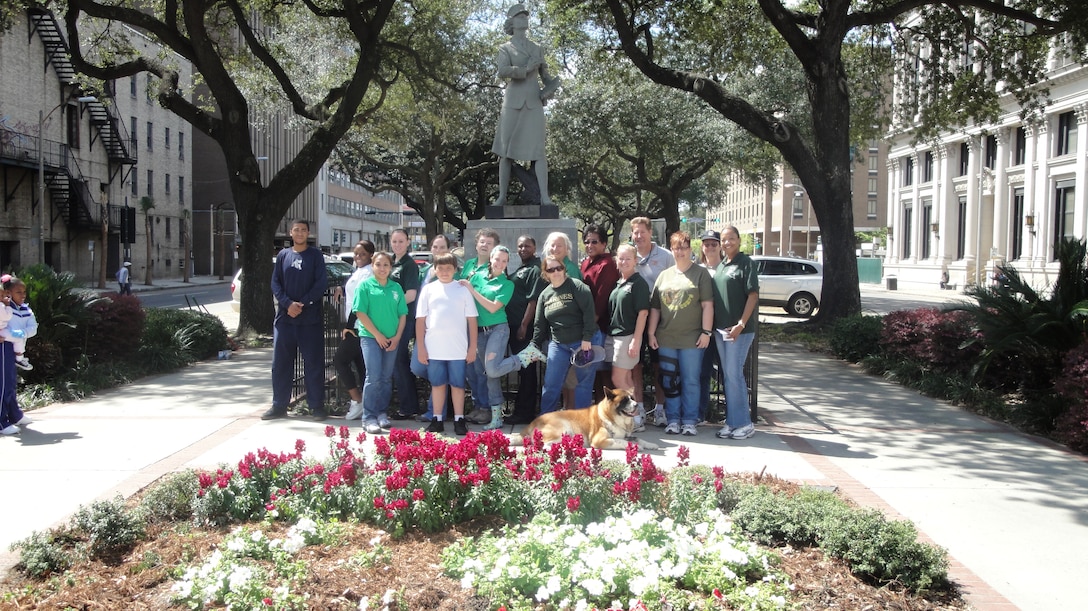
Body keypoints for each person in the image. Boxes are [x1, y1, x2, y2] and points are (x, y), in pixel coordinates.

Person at [647, 231, 714, 436]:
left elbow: (708, 306)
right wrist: (651, 333)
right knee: (669, 380)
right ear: (672, 249)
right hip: (666, 337)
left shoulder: (700, 274)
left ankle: (689, 420)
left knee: (691, 379)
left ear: (690, 249)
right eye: (676, 247)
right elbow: (655, 308)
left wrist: (706, 332)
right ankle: (673, 419)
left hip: (692, 339)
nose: (680, 251)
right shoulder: (664, 275)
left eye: (684, 247)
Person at [492, 3, 558, 206]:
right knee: (505, 152)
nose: (524, 19)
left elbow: (544, 76)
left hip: (534, 102)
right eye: (520, 16)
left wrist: (552, 86)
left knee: (538, 152)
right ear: (512, 22)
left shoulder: (537, 48)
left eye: (526, 16)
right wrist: (525, 69)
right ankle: (501, 197)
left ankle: (545, 197)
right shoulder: (505, 48)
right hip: (512, 102)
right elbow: (502, 71)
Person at [264, 219, 328, 421]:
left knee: (313, 364)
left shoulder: (315, 255)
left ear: (308, 233)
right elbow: (275, 283)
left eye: (303, 230)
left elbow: (321, 283)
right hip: (285, 319)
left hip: (310, 321)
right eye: (296, 230)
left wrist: (303, 303)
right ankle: (279, 405)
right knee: (281, 364)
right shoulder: (283, 255)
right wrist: (287, 303)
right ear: (290, 233)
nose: (300, 233)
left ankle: (316, 406)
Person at [462, 245, 525, 430]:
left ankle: (524, 357)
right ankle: (497, 418)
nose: (500, 263)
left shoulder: (507, 284)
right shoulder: (478, 276)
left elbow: (492, 307)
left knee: (491, 370)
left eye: (504, 261)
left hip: (498, 329)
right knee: (491, 375)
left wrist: (472, 290)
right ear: (491, 258)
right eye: (497, 259)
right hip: (480, 331)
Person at [523, 255, 597, 414]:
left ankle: (581, 422)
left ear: (564, 269)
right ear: (546, 273)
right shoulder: (544, 295)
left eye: (559, 268)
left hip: (582, 342)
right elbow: (540, 325)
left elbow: (589, 314)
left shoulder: (577, 286)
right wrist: (534, 345)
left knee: (583, 383)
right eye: (551, 269)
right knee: (551, 384)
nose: (556, 272)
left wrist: (587, 338)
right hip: (558, 344)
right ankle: (546, 420)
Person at [417, 254, 478, 436]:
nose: (444, 272)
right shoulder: (428, 290)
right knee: (437, 384)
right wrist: (421, 347)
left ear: (455, 269)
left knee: (458, 385)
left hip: (458, 349)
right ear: (434, 269)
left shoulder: (462, 290)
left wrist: (472, 347)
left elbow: (472, 321)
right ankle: (437, 419)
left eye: (448, 268)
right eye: (440, 268)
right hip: (434, 348)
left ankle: (459, 419)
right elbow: (420, 320)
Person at [711, 225, 760, 440]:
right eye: (724, 239)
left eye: (731, 238)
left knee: (734, 374)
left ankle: (744, 423)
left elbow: (753, 295)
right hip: (721, 330)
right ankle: (732, 422)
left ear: (739, 241)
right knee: (728, 376)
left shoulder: (745, 263)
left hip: (740, 331)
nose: (727, 242)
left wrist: (741, 323)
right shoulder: (722, 265)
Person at [353, 252, 408, 435]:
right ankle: (368, 417)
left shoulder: (396, 288)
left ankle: (382, 413)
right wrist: (377, 335)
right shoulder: (365, 286)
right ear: (372, 266)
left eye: (386, 265)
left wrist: (397, 337)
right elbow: (360, 313)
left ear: (390, 267)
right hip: (371, 338)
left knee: (386, 377)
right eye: (378, 264)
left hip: (392, 339)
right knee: (373, 376)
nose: (382, 268)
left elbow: (402, 314)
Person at [630, 216, 674, 427]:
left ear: (650, 233)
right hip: (636, 318)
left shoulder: (666, 257)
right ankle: (638, 408)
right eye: (635, 233)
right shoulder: (629, 255)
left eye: (642, 232)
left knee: (660, 365)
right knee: (635, 364)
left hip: (660, 318)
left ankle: (660, 409)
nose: (639, 236)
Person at [458, 228, 501, 423]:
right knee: (471, 369)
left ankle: (485, 407)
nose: (484, 245)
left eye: (489, 243)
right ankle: (477, 405)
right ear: (476, 244)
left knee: (483, 369)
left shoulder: (493, 270)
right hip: (466, 324)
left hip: (485, 325)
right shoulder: (468, 265)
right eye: (482, 241)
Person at [504, 235, 545, 425]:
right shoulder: (523, 268)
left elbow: (533, 300)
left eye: (527, 245)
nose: (523, 249)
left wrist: (523, 325)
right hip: (513, 326)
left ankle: (525, 412)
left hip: (524, 330)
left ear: (534, 247)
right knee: (522, 370)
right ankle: (522, 409)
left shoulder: (536, 268)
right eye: (520, 246)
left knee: (527, 370)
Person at [608, 244, 650, 425]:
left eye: (627, 258)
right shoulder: (619, 283)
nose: (623, 262)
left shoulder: (638, 283)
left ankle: (636, 417)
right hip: (615, 335)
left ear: (635, 260)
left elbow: (643, 313)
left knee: (617, 379)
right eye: (621, 258)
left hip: (627, 336)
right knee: (625, 379)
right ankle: (633, 417)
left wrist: (636, 340)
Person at [334, 240, 375, 421]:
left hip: (358, 326)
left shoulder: (368, 273)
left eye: (362, 254)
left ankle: (357, 400)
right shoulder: (359, 271)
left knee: (340, 361)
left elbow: (359, 302)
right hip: (358, 326)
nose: (358, 257)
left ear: (370, 256)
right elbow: (352, 288)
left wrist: (348, 326)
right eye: (356, 254)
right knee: (361, 366)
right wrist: (341, 287)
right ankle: (366, 404)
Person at [580, 224, 619, 400]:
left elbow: (602, 298)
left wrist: (590, 325)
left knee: (603, 371)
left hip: (600, 326)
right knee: (591, 371)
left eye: (594, 242)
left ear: (604, 243)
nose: (590, 245)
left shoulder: (607, 264)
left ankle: (608, 411)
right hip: (588, 325)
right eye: (587, 242)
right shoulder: (586, 263)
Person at [388, 228, 421, 420]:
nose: (398, 245)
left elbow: (411, 295)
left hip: (404, 319)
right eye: (394, 241)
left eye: (401, 241)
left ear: (408, 242)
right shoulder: (390, 262)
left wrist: (389, 305)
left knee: (399, 362)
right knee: (395, 363)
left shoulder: (409, 265)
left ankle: (409, 406)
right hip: (388, 321)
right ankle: (405, 404)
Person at [698, 230, 725, 423]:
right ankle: (701, 413)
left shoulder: (727, 268)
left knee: (728, 374)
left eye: (714, 244)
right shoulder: (698, 270)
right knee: (703, 373)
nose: (710, 247)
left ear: (720, 246)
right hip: (703, 331)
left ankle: (732, 415)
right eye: (706, 244)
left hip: (724, 329)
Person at [0, 282, 31, 436]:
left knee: (10, 381)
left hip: (9, 345)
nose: (22, 295)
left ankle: (14, 415)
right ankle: (1, 421)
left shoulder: (11, 306)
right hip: (3, 345)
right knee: (3, 384)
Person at [3, 275, 38, 371]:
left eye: (24, 292)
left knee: (10, 380)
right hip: (4, 347)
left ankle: (19, 359)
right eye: (18, 292)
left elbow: (33, 327)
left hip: (17, 349)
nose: (23, 295)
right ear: (8, 293)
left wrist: (23, 333)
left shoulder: (27, 310)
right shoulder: (4, 308)